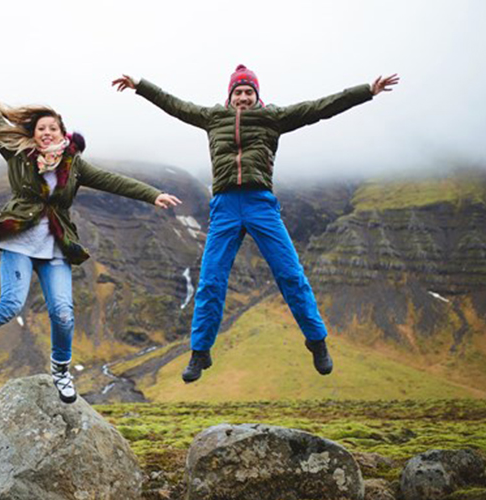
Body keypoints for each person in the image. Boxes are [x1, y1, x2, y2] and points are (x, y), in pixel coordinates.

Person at [112, 65, 398, 382]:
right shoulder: (212, 117)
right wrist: (140, 85)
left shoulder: (272, 117)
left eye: (249, 92)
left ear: (256, 95)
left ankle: (317, 341)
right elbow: (174, 105)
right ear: (230, 95)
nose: (244, 97)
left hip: (260, 204)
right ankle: (200, 352)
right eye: (238, 92)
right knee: (211, 281)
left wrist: (367, 91)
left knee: (290, 274)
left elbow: (319, 108)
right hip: (224, 208)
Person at [0, 62, 182, 403]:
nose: (47, 132)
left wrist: (152, 194)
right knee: (10, 305)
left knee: (63, 313)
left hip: (54, 247)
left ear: (62, 132)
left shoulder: (73, 164)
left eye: (52, 128)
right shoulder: (18, 154)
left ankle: (61, 371)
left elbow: (112, 180)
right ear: (33, 133)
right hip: (18, 241)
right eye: (41, 128)